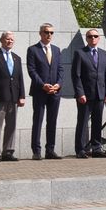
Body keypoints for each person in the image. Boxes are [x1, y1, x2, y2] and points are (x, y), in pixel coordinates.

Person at [72, 29, 106, 158]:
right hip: (85, 95)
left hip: (100, 94)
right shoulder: (80, 53)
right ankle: (80, 149)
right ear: (86, 38)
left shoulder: (104, 54)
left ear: (99, 38)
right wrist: (80, 93)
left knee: (97, 122)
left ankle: (96, 148)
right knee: (83, 123)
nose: (93, 38)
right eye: (90, 36)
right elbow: (76, 75)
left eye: (95, 36)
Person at [0, 32, 26, 162]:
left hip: (14, 97)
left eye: (12, 40)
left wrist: (22, 96)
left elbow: (20, 78)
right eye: (7, 39)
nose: (10, 41)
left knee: (11, 126)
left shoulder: (16, 58)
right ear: (1, 40)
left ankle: (8, 152)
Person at [27, 23, 64, 160]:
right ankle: (36, 151)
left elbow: (60, 69)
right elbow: (32, 70)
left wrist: (58, 85)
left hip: (55, 92)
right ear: (40, 33)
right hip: (40, 91)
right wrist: (43, 85)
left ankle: (50, 150)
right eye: (46, 32)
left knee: (52, 121)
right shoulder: (33, 50)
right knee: (38, 120)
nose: (49, 35)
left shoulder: (56, 50)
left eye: (51, 33)